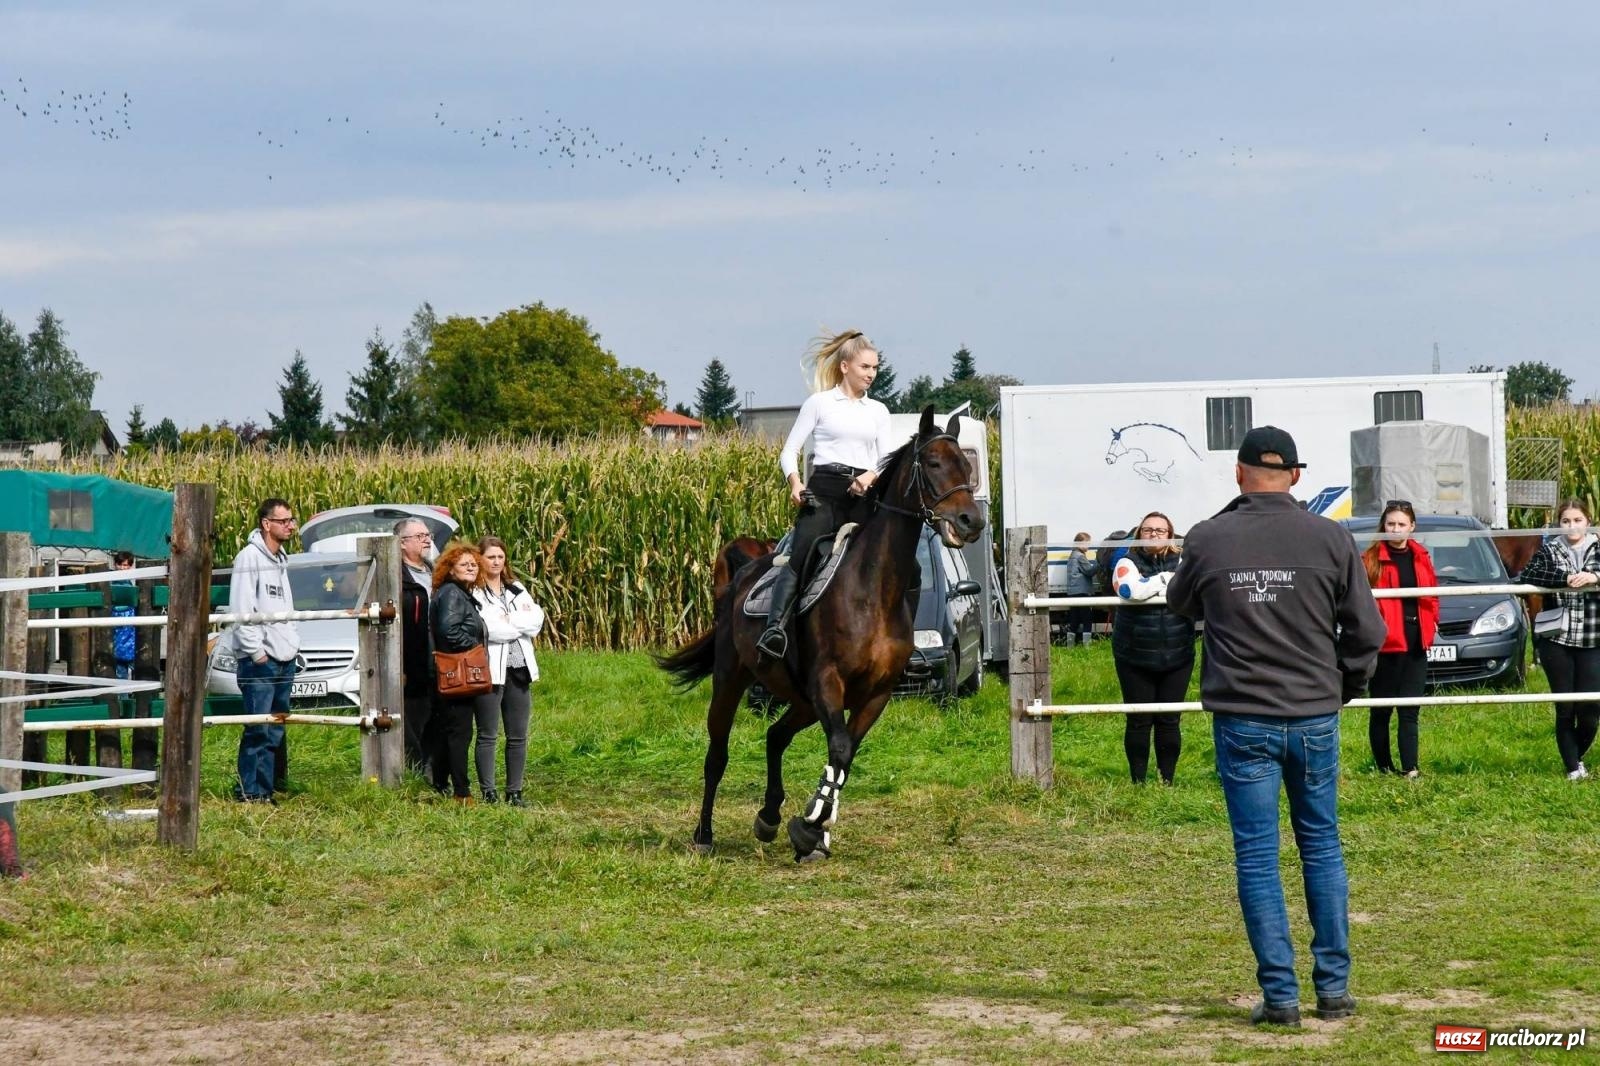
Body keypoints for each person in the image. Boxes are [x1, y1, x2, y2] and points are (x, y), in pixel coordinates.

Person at [1166, 426, 1386, 1028]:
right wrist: (1346, 683)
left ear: (1238, 474)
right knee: (1322, 844)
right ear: (1296, 476)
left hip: (1243, 717)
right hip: (1314, 712)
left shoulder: (1209, 537)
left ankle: (1281, 998)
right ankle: (1334, 990)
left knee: (1258, 857)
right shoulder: (1330, 536)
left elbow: (1180, 604)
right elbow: (1368, 632)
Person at [758, 330, 894, 658]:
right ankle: (774, 629)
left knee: (887, 560)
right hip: (824, 492)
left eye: (875, 368)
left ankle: (896, 632)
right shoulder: (819, 403)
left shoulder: (878, 410)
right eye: (865, 367)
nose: (871, 374)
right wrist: (795, 483)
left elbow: (886, 457)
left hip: (863, 496)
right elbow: (789, 452)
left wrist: (870, 475)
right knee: (802, 555)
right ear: (845, 366)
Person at [1517, 499, 1600, 780]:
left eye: (1577, 520)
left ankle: (1577, 756)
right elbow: (1528, 574)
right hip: (1557, 639)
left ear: (1588, 521)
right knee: (1565, 707)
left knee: (1590, 708)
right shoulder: (1550, 549)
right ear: (1559, 524)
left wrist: (1594, 576)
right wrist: (1566, 578)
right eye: (1566, 521)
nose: (1572, 526)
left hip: (1593, 638)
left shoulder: (1599, 546)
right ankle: (1573, 767)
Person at [1111, 512, 1195, 785]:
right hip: (1133, 653)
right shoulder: (1126, 560)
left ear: (1170, 534)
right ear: (1139, 534)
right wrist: (1164, 580)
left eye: (1160, 530)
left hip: (1178, 652)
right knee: (1138, 719)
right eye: (1148, 530)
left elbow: (1188, 590)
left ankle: (1166, 781)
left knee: (1170, 720)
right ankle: (1138, 782)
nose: (1154, 534)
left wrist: (1148, 586)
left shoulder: (1185, 561)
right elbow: (1127, 591)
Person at [229, 498, 302, 804]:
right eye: (283, 521)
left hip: (282, 659)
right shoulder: (249, 558)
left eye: (291, 520)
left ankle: (265, 788)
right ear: (266, 523)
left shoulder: (280, 560)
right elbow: (242, 608)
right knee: (258, 729)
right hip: (262, 661)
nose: (290, 526)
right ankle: (250, 791)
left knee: (274, 730)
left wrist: (292, 647)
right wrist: (256, 652)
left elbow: (284, 610)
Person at [1362, 501, 1438, 777]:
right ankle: (1383, 768)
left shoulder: (1422, 556)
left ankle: (1411, 769)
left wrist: (1432, 624)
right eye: (1390, 523)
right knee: (1381, 710)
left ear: (1412, 527)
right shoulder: (1369, 559)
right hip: (1386, 647)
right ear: (1383, 525)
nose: (1395, 529)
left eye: (1401, 524)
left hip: (1416, 643)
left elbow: (1432, 595)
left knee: (1410, 710)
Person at [473, 536, 545, 806]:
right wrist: (516, 623)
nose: (496, 561)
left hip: (519, 668)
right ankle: (488, 791)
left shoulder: (516, 588)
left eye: (500, 557)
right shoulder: (475, 591)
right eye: (490, 557)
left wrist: (509, 620)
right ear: (480, 559)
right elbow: (490, 628)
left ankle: (514, 791)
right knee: (488, 733)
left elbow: (536, 620)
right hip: (492, 670)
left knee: (518, 735)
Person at [430, 543, 488, 802]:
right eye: (464, 564)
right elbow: (448, 631)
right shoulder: (453, 594)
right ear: (450, 569)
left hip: (452, 672)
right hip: (457, 673)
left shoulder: (457, 593)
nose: (471, 567)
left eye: (474, 563)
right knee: (459, 734)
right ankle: (461, 793)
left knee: (449, 731)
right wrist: (475, 650)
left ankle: (441, 783)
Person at [395, 518, 439, 777]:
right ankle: (414, 770)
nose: (427, 540)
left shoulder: (437, 572)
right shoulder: (396, 577)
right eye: (420, 536)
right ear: (402, 543)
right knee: (414, 716)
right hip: (413, 657)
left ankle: (433, 768)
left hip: (440, 658)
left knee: (437, 715)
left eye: (428, 535)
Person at [1062, 532, 1098, 645]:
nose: (1089, 546)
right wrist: (1098, 563)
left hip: (1073, 592)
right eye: (1087, 543)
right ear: (1080, 543)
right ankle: (1087, 645)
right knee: (1087, 619)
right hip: (1081, 592)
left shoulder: (1072, 555)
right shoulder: (1080, 556)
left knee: (1075, 619)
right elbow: (1089, 571)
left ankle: (1070, 645)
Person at [110, 551, 137, 681]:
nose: (122, 568)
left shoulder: (131, 585)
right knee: (121, 670)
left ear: (130, 566)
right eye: (120, 564)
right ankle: (124, 699)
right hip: (118, 630)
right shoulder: (110, 584)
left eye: (125, 565)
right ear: (115, 565)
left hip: (129, 631)